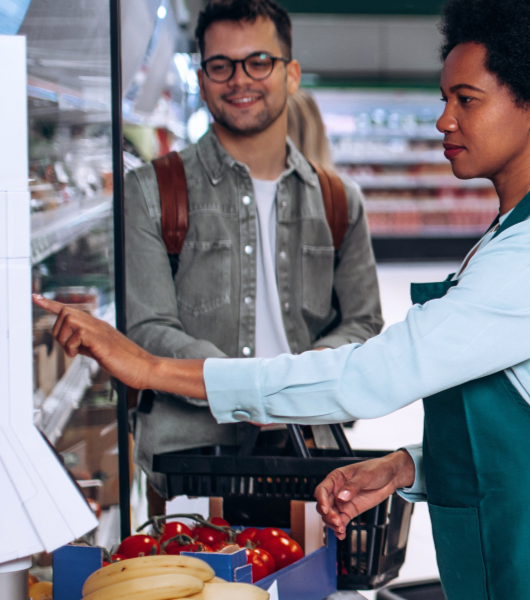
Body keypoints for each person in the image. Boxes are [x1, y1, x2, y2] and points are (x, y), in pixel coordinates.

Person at [38, 0, 530, 597]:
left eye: (467, 100)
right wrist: (407, 466)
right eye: (445, 100)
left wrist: (151, 368)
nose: (444, 121)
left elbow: (373, 374)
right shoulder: (512, 234)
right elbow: (520, 428)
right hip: (511, 547)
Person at [122, 0, 383, 499]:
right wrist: (249, 390)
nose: (240, 79)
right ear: (202, 80)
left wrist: (292, 387)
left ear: (291, 75)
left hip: (312, 463)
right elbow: (148, 330)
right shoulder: (152, 191)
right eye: (221, 65)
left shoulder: (338, 200)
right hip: (191, 468)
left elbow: (364, 324)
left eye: (259, 61)